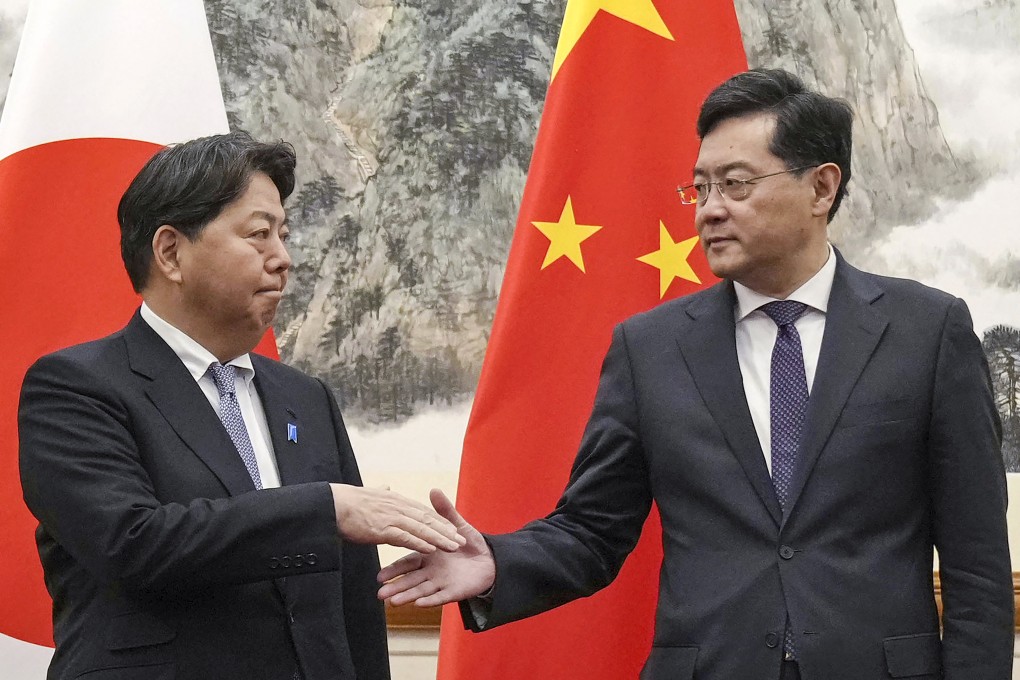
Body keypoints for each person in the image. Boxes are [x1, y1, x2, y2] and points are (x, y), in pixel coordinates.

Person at [378, 69, 1015, 680]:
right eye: (699, 188)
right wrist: (497, 562)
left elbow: (977, 566)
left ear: (822, 188)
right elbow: (594, 530)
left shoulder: (927, 332)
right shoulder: (650, 349)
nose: (709, 211)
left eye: (736, 185)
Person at [18, 131, 464, 680]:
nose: (284, 259)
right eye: (258, 235)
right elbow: (131, 544)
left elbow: (351, 601)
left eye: (284, 233)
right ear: (170, 252)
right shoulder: (75, 386)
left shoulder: (305, 398)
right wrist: (325, 509)